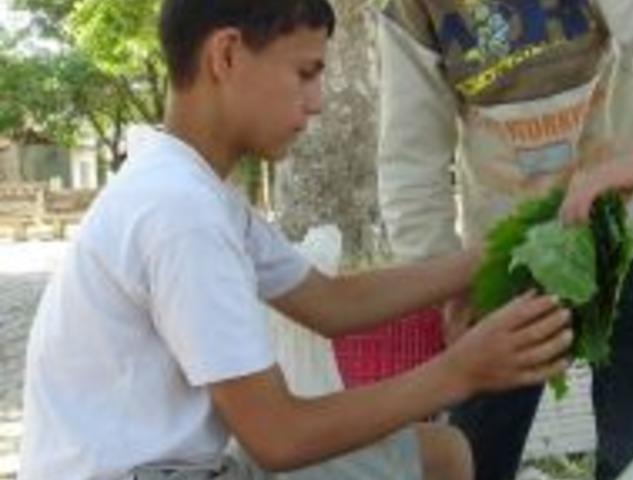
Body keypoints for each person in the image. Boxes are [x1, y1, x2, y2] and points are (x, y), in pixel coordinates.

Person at [18, 1, 575, 479]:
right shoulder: (179, 212)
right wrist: (460, 373)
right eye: (306, 73)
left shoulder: (192, 188)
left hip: (184, 466)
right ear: (227, 55)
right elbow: (278, 436)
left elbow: (332, 303)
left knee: (441, 455)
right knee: (438, 456)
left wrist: (497, 253)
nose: (319, 101)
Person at [375, 0, 633, 478]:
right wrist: (446, 286)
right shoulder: (411, 10)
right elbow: (410, 162)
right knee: (472, 454)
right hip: (512, 260)